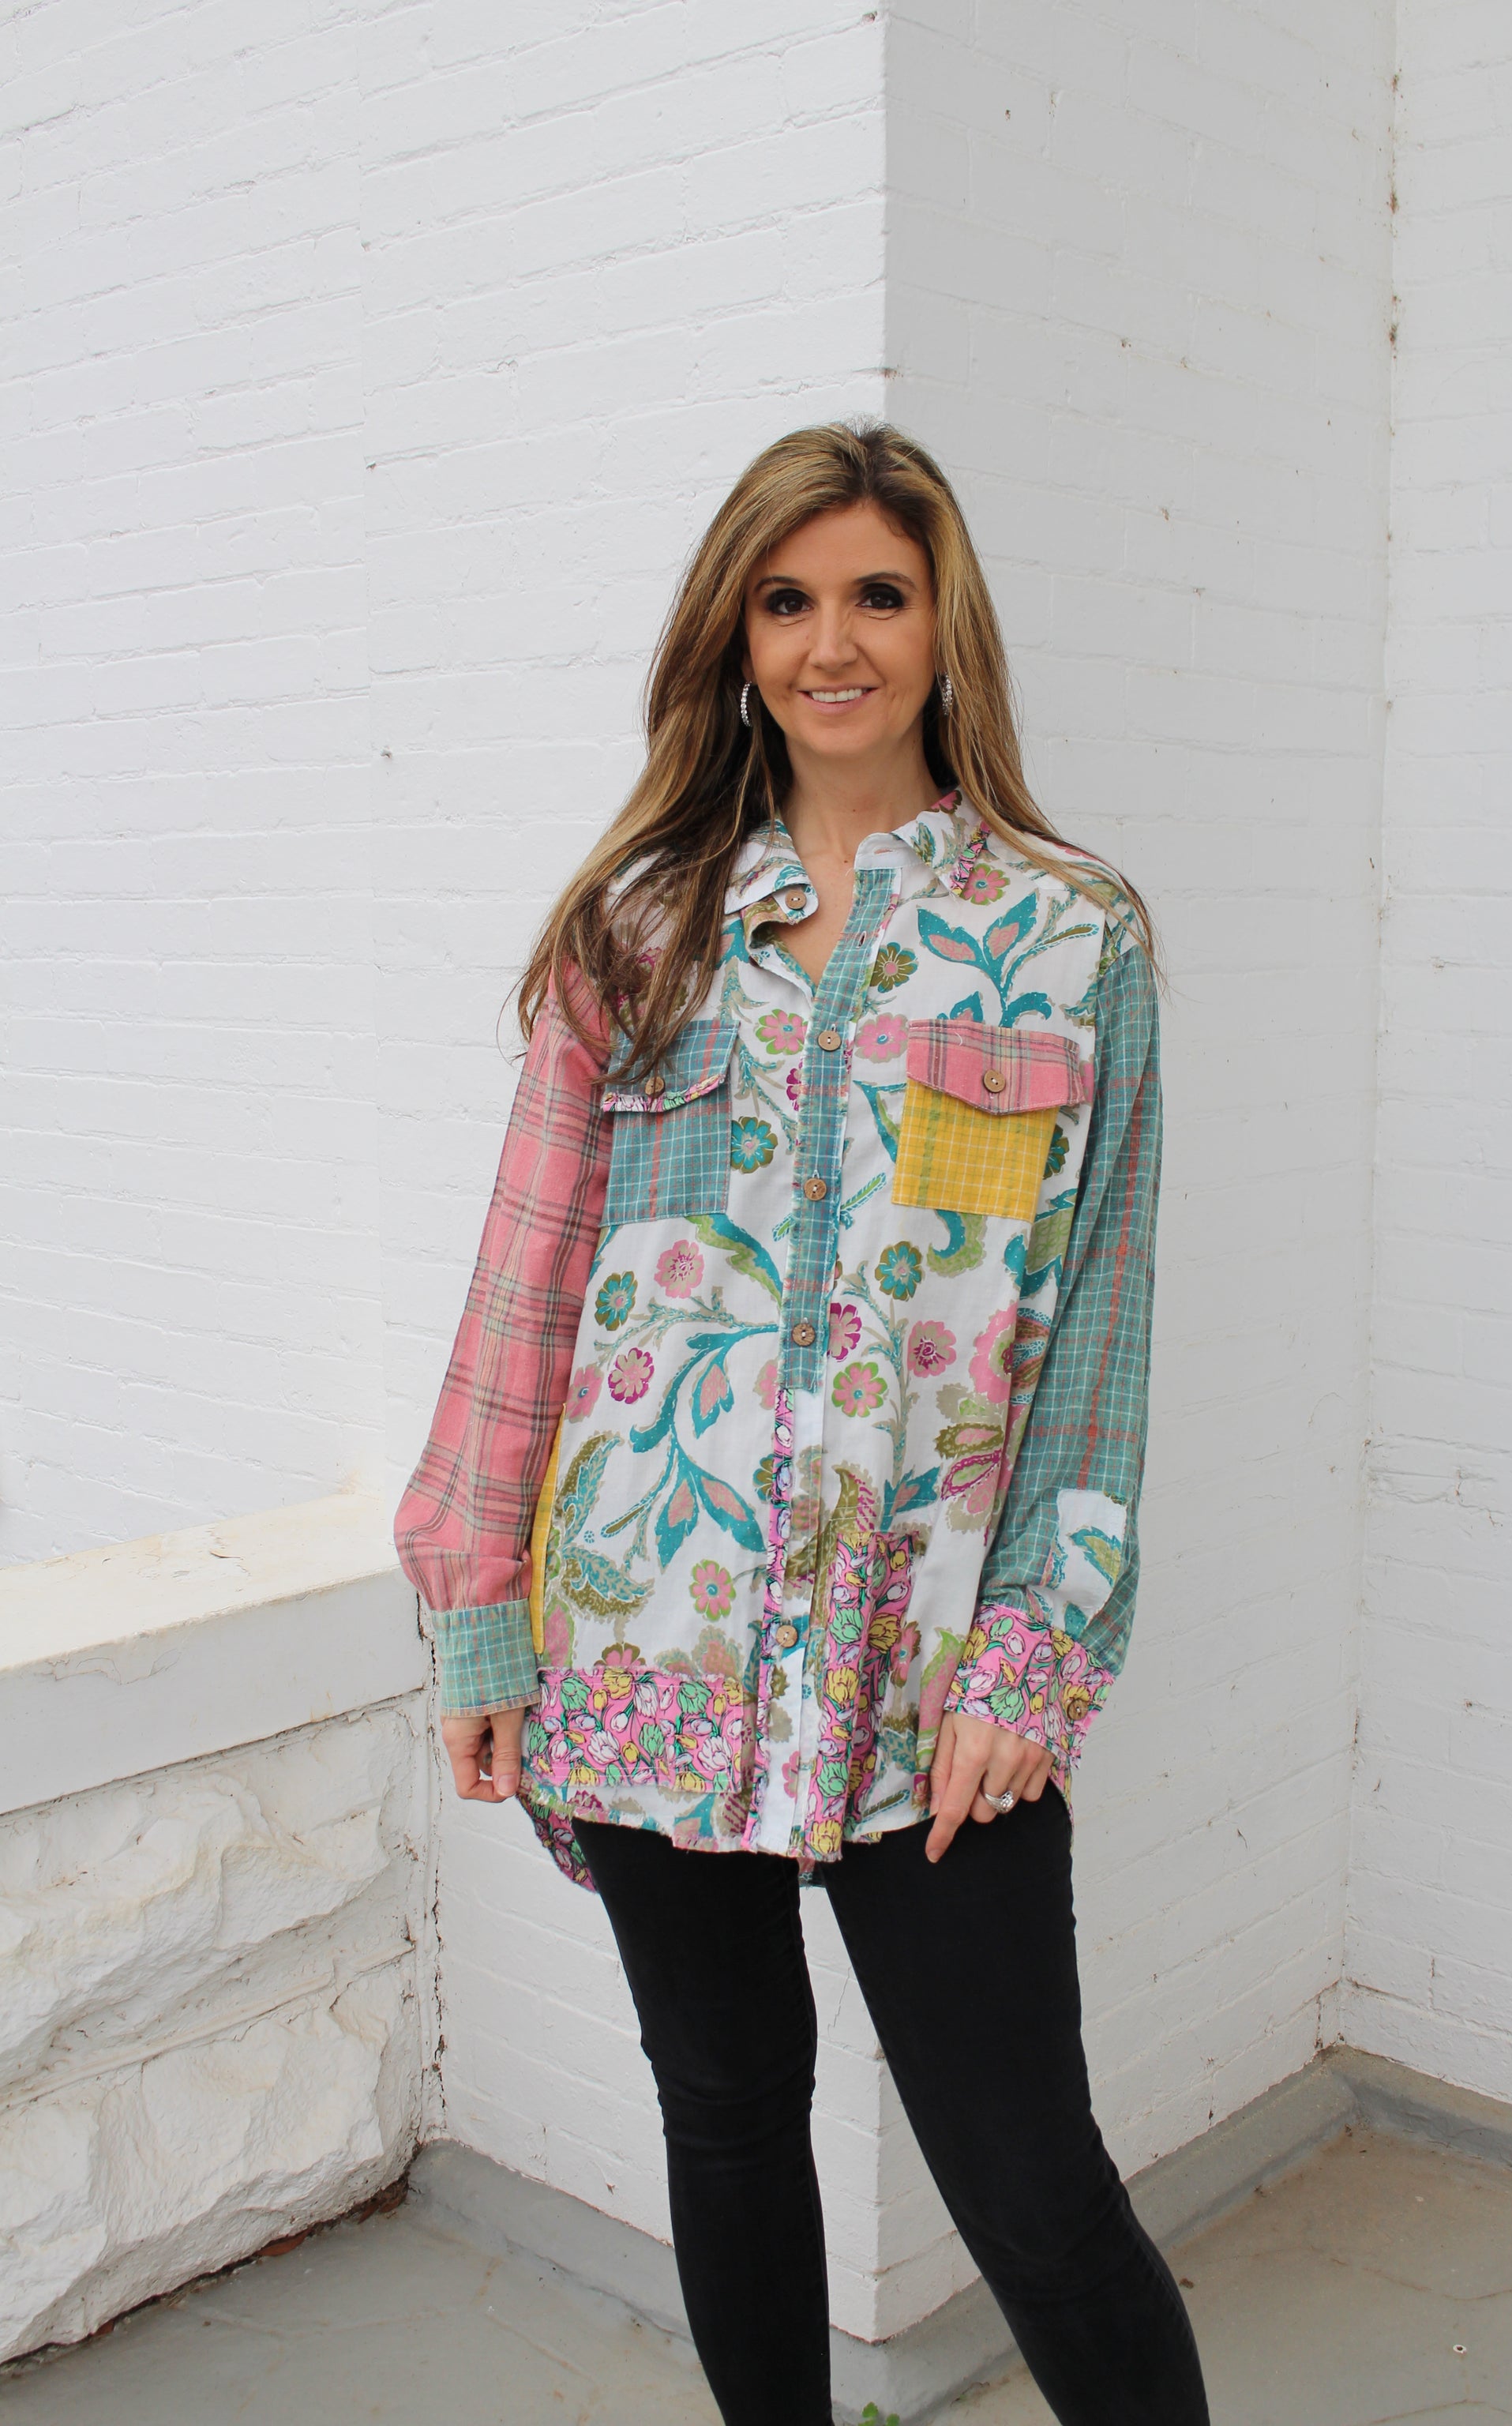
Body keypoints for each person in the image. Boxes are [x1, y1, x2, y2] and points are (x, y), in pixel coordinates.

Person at [396, 421, 1209, 2426]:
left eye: (875, 595)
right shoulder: (638, 928)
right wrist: (481, 1610)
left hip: (931, 1674)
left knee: (1032, 2187)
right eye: (786, 600)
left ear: (943, 627)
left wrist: (1033, 1650)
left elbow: (1094, 1326)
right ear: (734, 634)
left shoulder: (1069, 936)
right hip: (648, 1640)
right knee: (733, 2115)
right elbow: (524, 1285)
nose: (830, 643)